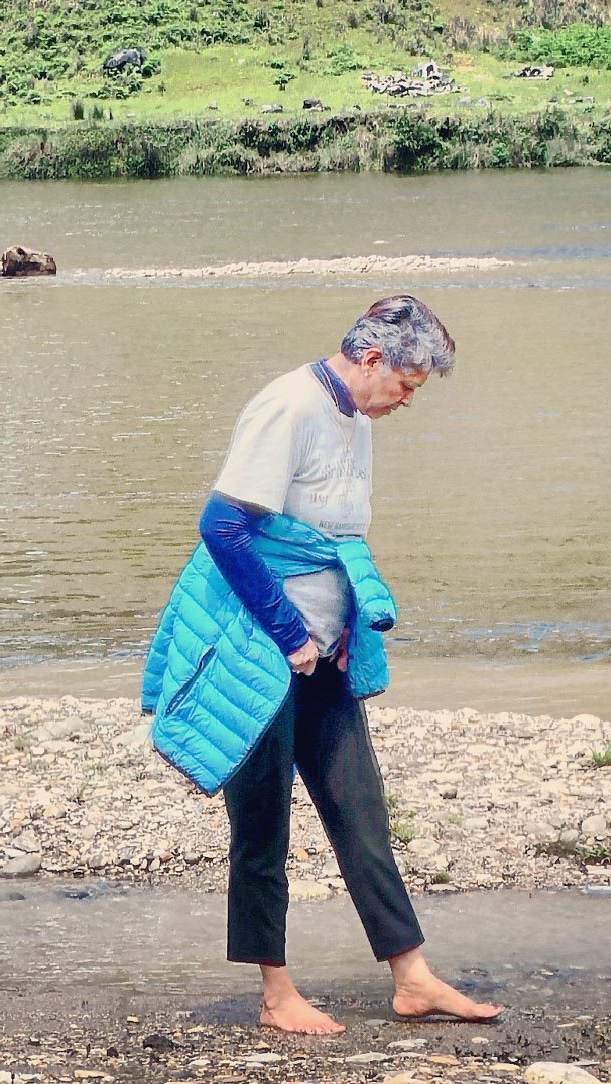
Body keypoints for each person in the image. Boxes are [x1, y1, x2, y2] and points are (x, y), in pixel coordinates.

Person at [141, 296, 503, 1034]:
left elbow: (327, 534)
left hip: (320, 651)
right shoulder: (289, 407)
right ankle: (276, 995)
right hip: (258, 648)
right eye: (407, 384)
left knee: (360, 809)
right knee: (263, 819)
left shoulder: (357, 416)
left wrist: (335, 627)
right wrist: (290, 633)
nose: (407, 401)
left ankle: (412, 977)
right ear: (372, 359)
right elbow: (224, 527)